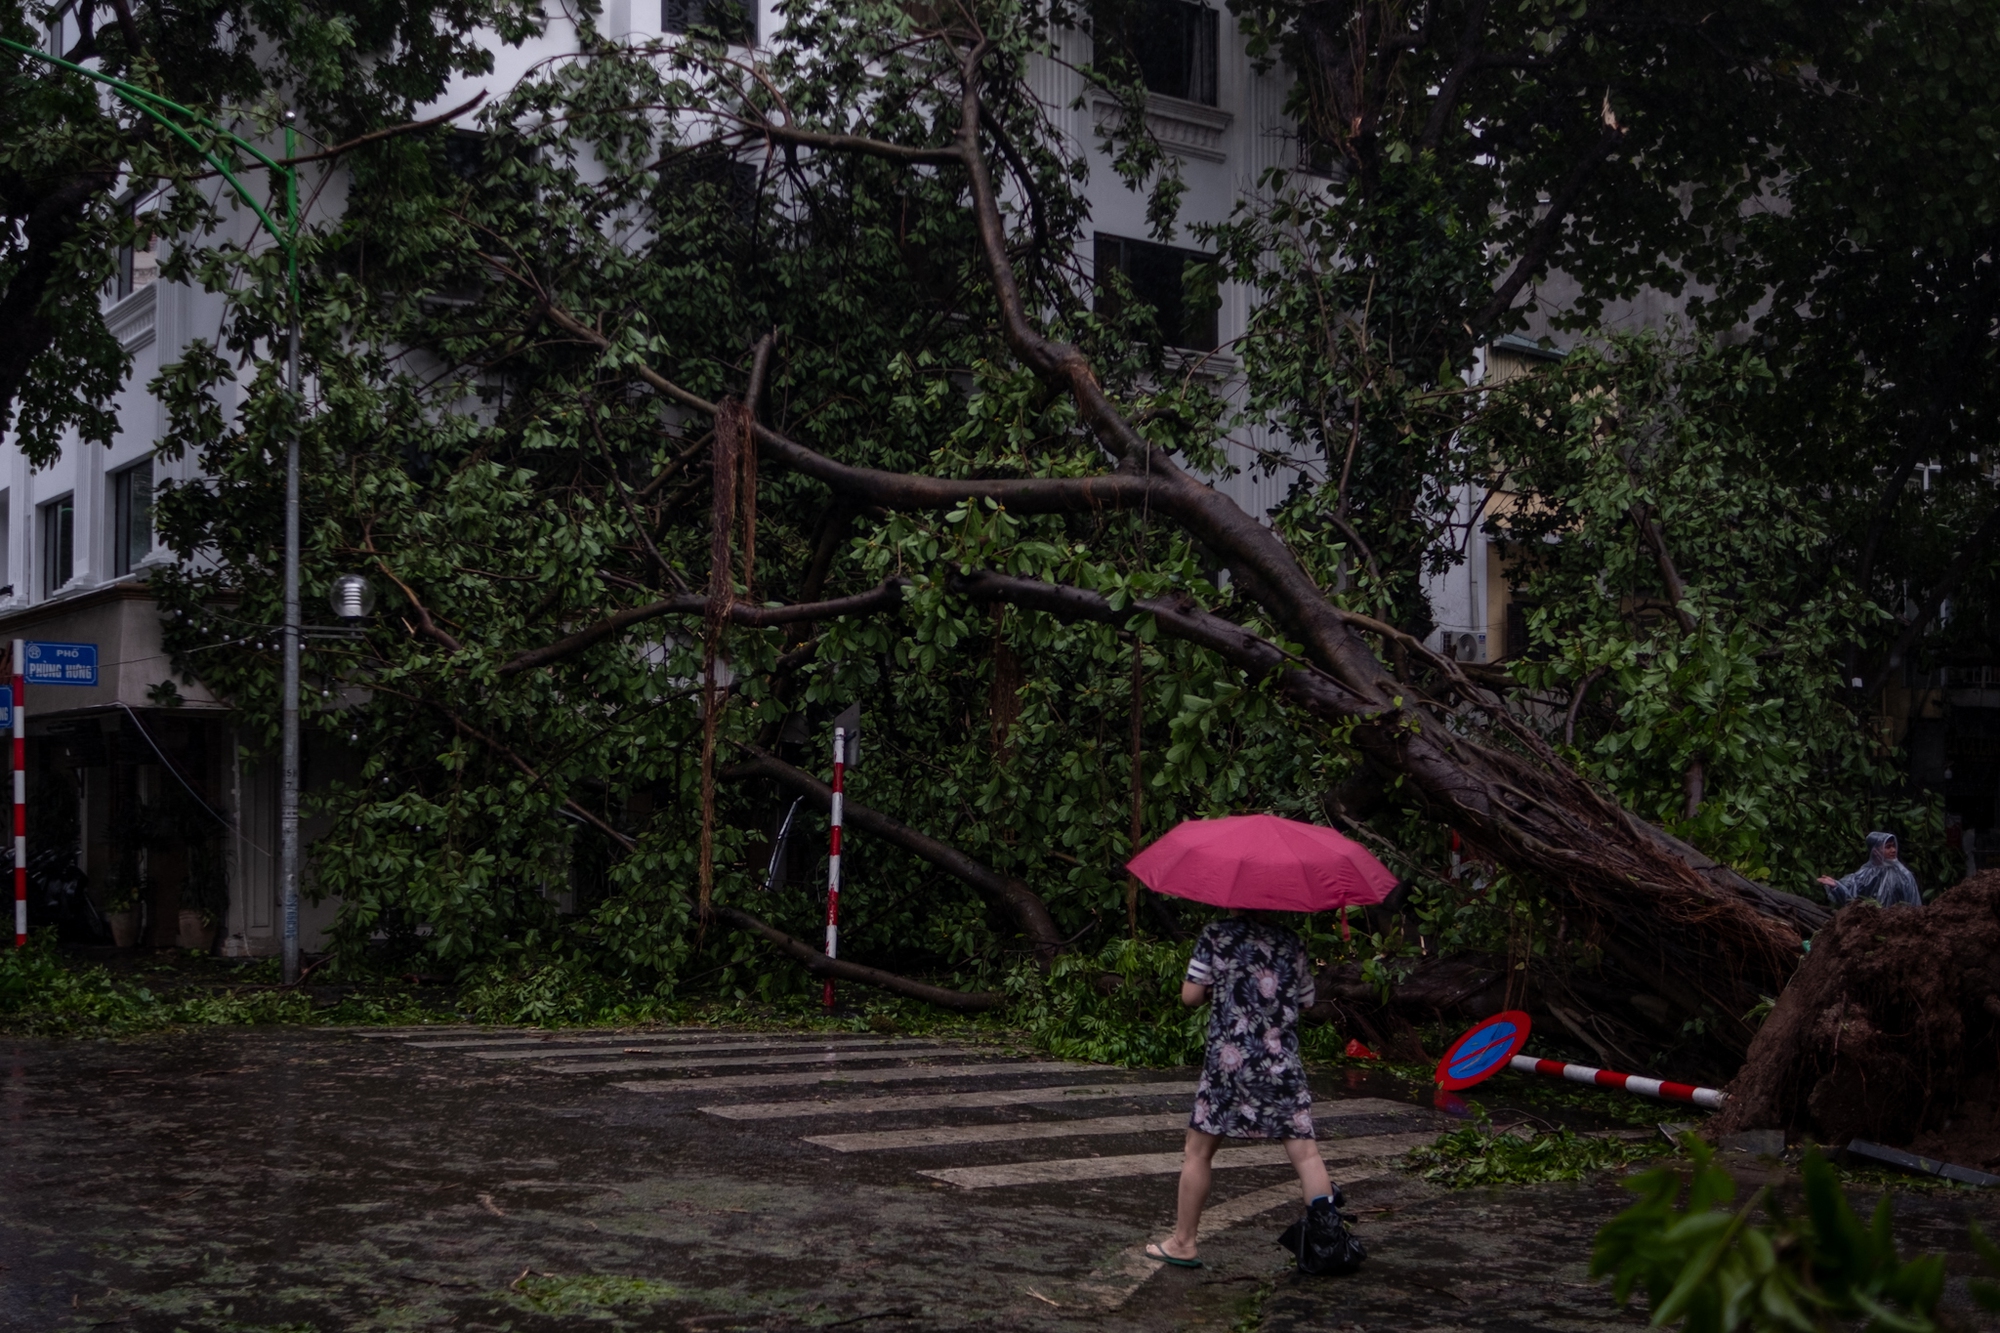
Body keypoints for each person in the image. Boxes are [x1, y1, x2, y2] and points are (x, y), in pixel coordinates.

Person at [1145, 910, 1362, 1275]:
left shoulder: (1216, 934)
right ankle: (1328, 1247)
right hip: (1280, 1063)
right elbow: (1307, 1001)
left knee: (1198, 1152)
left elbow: (1190, 996)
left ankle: (1183, 1243)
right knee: (1307, 1155)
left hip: (1228, 1064)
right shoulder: (1292, 941)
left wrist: (1223, 985)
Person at [1816, 831, 1922, 907]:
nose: (1893, 850)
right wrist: (1836, 887)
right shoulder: (1867, 874)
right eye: (1888, 847)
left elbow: (1915, 906)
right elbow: (1851, 897)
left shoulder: (1904, 875)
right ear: (1875, 851)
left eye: (1894, 846)